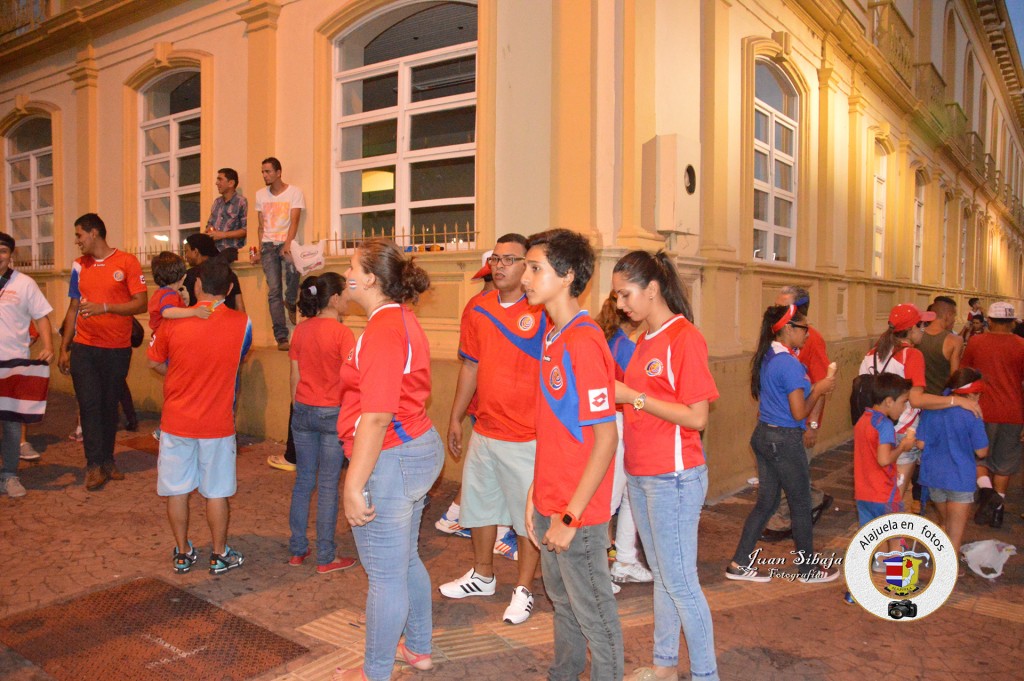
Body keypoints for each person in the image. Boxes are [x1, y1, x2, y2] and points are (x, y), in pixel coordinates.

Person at [335, 239, 443, 681]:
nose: (346, 275)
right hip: (412, 448)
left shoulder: (383, 329)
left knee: (384, 576)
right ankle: (417, 648)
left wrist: (352, 484)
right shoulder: (399, 318)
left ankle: (374, 673)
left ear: (370, 279)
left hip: (392, 457)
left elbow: (377, 417)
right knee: (404, 561)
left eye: (352, 268)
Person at [522, 229, 623, 681]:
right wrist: (536, 493)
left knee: (595, 614)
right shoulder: (552, 335)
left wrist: (570, 516)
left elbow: (606, 439)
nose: (526, 277)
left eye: (535, 268)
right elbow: (557, 430)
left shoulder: (583, 341)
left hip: (576, 512)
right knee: (562, 602)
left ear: (566, 276)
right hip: (552, 499)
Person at [611, 251, 717, 681]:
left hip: (673, 477)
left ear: (652, 289)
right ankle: (665, 666)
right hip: (642, 475)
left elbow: (697, 417)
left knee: (681, 583)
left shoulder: (684, 337)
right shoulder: (644, 340)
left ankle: (706, 675)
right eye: (617, 296)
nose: (620, 304)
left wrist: (632, 397)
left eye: (626, 294)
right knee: (664, 578)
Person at [438, 234, 545, 625]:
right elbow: (470, 365)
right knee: (479, 507)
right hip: (486, 429)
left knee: (526, 518)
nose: (499, 266)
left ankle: (524, 589)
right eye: (496, 259)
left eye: (509, 260)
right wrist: (456, 416)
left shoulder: (543, 311)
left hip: (528, 435)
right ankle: (483, 575)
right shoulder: (477, 308)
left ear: (527, 266)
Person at [147, 259, 252, 574]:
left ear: (196, 285)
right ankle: (219, 554)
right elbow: (238, 357)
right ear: (229, 288)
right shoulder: (243, 323)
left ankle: (182, 552)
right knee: (217, 492)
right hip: (217, 424)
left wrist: (177, 374)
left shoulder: (172, 321)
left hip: (176, 421)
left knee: (176, 490)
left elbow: (154, 362)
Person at [726, 304, 839, 584]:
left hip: (764, 435)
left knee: (767, 503)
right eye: (804, 328)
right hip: (784, 440)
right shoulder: (788, 363)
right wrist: (819, 389)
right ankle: (808, 570)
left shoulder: (769, 355)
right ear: (788, 328)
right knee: (801, 504)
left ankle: (739, 563)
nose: (808, 334)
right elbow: (799, 413)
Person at [857, 304, 982, 509]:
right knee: (895, 495)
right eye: (921, 325)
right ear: (911, 329)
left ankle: (881, 526)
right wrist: (956, 400)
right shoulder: (912, 355)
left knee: (880, 487)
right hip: (902, 431)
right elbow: (916, 400)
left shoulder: (872, 354)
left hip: (872, 427)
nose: (924, 329)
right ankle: (892, 529)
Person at [57, 213, 147, 491]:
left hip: (117, 349)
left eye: (79, 235)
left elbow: (141, 303)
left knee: (109, 406)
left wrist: (106, 307)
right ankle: (94, 465)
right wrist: (64, 347)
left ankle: (108, 460)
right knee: (89, 406)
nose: (77, 241)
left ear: (94, 233)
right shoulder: (79, 265)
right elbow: (73, 308)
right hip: (84, 348)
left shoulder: (126, 262)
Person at [287, 272, 358, 575]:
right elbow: (352, 379)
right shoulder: (343, 334)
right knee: (328, 485)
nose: (349, 298)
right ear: (334, 299)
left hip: (303, 410)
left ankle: (297, 549)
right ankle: (326, 556)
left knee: (304, 481)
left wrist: (298, 410)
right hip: (332, 413)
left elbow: (294, 376)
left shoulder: (300, 331)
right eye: (345, 293)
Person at [762, 285, 833, 542]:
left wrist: (812, 424)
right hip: (780, 420)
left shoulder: (812, 339)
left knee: (789, 472)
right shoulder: (777, 338)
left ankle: (784, 519)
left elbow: (821, 384)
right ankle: (815, 499)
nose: (777, 310)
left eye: (783, 306)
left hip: (800, 420)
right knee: (788, 471)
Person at [594, 291, 652, 590]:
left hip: (605, 423)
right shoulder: (625, 348)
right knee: (609, 500)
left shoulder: (603, 340)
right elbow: (639, 394)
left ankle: (625, 560)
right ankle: (599, 572)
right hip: (617, 423)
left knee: (626, 494)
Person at [435, 249, 494, 539]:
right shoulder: (481, 307)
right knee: (485, 466)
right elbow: (470, 360)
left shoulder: (479, 303)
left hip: (486, 399)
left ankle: (459, 516)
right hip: (485, 400)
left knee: (486, 465)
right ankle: (456, 516)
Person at [961, 301, 1024, 528]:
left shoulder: (976, 342)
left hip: (980, 411)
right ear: (1013, 322)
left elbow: (964, 375)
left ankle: (986, 493)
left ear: (989, 320)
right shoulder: (1021, 345)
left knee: (980, 458)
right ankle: (998, 510)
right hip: (1013, 412)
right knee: (1004, 463)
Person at [0, 232, 54, 497]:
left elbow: (41, 316)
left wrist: (48, 346)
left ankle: (9, 475)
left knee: (11, 424)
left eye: (3, 250)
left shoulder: (24, 284)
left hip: (14, 365)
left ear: (11, 255)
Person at [917, 368, 989, 556]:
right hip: (960, 478)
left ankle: (940, 553)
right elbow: (981, 452)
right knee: (954, 536)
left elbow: (921, 443)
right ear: (972, 394)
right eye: (979, 394)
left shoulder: (931, 409)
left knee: (946, 523)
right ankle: (948, 566)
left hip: (934, 476)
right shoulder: (973, 414)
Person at [254, 156, 304, 350]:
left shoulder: (294, 192)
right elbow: (260, 226)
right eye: (262, 172)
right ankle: (281, 337)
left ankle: (291, 300)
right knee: (274, 290)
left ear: (278, 172)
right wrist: (260, 249)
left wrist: (288, 243)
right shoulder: (260, 195)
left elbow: (295, 221)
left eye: (268, 171)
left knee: (294, 269)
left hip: (286, 241)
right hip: (268, 245)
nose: (264, 175)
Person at [853, 373, 915, 524]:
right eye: (903, 402)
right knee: (895, 534)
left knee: (871, 535)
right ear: (889, 401)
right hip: (885, 495)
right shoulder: (885, 425)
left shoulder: (863, 420)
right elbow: (884, 459)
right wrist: (902, 446)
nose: (904, 408)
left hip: (863, 494)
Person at [182, 233, 244, 312]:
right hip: (226, 318)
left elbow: (184, 306)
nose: (186, 255)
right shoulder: (229, 274)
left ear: (196, 252)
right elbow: (240, 308)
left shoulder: (189, 275)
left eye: (187, 251)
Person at [918, 296, 963, 396]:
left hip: (918, 397)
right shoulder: (955, 340)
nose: (954, 320)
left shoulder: (917, 336)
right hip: (941, 398)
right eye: (954, 316)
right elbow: (954, 376)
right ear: (948, 315)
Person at [205, 167, 248, 254]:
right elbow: (209, 224)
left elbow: (245, 230)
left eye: (220, 180)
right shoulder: (217, 202)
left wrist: (223, 235)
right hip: (214, 248)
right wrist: (209, 230)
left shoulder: (241, 202)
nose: (216, 183)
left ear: (231, 183)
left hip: (231, 248)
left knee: (221, 258)